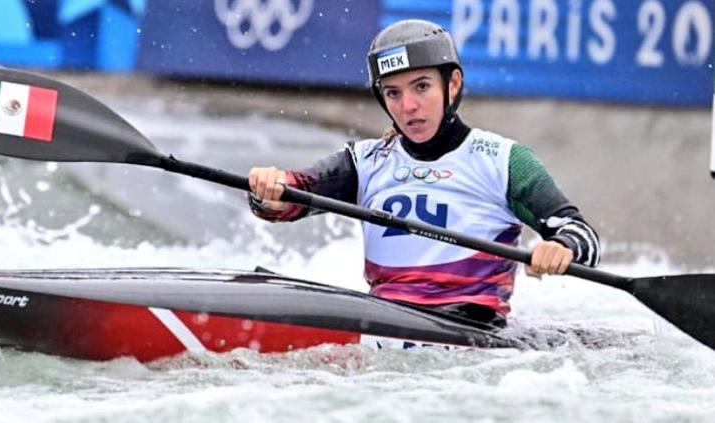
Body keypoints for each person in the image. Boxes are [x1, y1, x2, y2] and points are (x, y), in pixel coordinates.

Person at [247, 19, 600, 329]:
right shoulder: (367, 161)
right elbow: (290, 197)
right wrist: (269, 189)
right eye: (393, 93)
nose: (408, 106)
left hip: (472, 333)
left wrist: (561, 247)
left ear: (453, 84)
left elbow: (580, 233)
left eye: (421, 87)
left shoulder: (504, 161)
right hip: (384, 321)